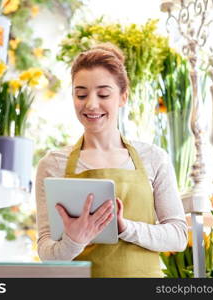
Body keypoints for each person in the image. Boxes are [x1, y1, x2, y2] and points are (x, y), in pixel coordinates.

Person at [35, 43, 187, 278]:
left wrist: (125, 228)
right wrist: (74, 241)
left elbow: (178, 235)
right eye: (81, 94)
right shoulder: (53, 164)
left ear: (123, 97)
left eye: (103, 94)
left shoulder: (154, 158)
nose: (91, 104)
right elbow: (46, 251)